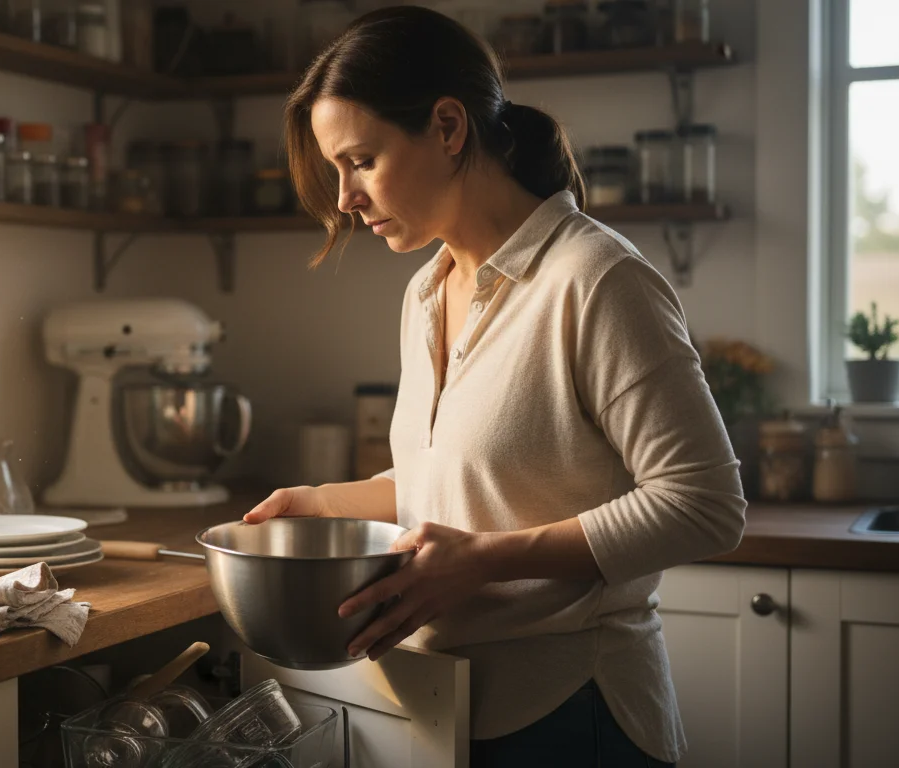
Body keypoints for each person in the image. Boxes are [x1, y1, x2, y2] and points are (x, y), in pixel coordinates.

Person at [242, 6, 746, 767]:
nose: (344, 198)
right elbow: (454, 478)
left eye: (361, 160)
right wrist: (319, 503)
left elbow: (704, 505)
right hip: (447, 705)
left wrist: (485, 559)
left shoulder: (597, 280)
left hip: (577, 709)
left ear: (448, 127)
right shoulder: (425, 291)